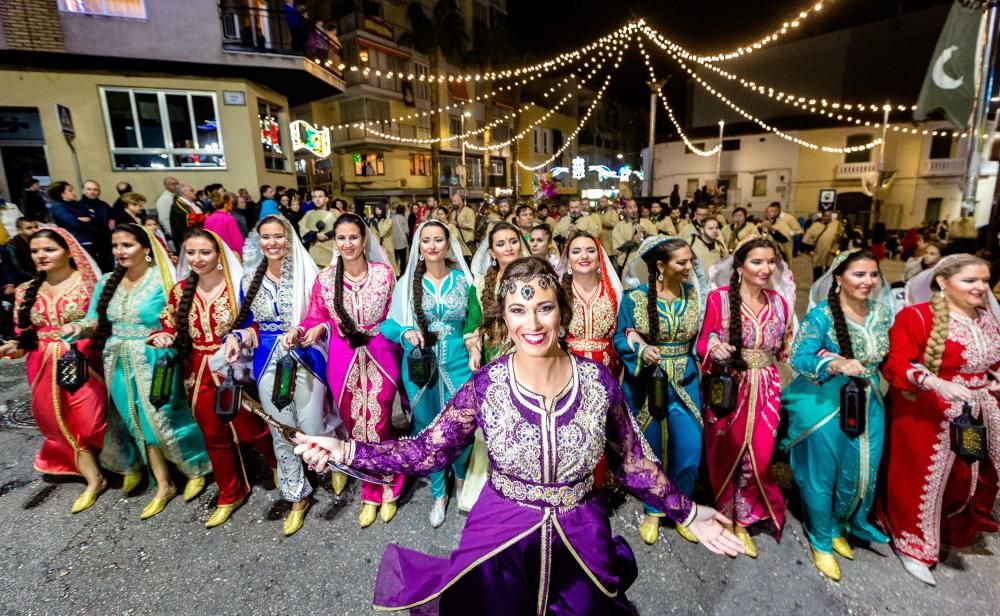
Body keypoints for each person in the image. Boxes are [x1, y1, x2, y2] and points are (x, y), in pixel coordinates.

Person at [293, 256, 744, 613]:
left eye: (544, 307)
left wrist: (686, 513)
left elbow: (630, 461)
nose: (533, 323)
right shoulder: (486, 386)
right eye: (518, 310)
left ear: (562, 312)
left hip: (580, 531)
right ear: (503, 319)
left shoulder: (597, 381)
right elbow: (426, 450)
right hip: (500, 533)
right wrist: (345, 450)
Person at [62, 223, 210, 519]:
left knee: (165, 417)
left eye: (127, 245)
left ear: (147, 248)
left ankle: (195, 469)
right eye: (116, 246)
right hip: (117, 358)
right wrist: (76, 328)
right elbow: (94, 319)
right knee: (136, 422)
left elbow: (178, 319)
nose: (120, 251)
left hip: (156, 357)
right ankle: (163, 484)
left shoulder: (164, 279)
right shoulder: (107, 282)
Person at [878, 254, 1000, 586]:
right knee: (920, 480)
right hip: (926, 411)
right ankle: (912, 544)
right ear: (943, 283)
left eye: (985, 280)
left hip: (977, 408)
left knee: (969, 472)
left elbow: (992, 358)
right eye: (971, 281)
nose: (980, 287)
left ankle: (953, 526)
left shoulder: (986, 318)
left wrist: (993, 378)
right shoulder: (916, 317)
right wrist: (934, 382)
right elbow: (895, 364)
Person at [0, 227, 135, 513]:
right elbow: (24, 336)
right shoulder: (26, 291)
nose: (41, 256)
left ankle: (128, 461)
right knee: (57, 425)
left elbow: (105, 322)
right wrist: (14, 347)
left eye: (49, 249)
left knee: (92, 422)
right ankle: (93, 479)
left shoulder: (89, 285)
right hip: (41, 366)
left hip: (84, 361)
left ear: (68, 251)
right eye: (35, 251)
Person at [150, 229, 277, 528]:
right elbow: (167, 324)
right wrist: (163, 337)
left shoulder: (239, 288)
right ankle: (230, 492)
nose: (197, 259)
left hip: (235, 367)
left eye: (204, 252)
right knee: (213, 435)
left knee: (252, 428)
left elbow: (262, 325)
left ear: (219, 255)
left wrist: (241, 338)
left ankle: (276, 463)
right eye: (190, 253)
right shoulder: (180, 291)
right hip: (196, 371)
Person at [282, 213, 402, 528]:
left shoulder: (384, 274)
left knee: (381, 421)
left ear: (364, 240)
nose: (348, 243)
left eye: (353, 237)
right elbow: (315, 317)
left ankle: (388, 482)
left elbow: (397, 315)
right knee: (353, 425)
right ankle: (369, 489)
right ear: (335, 242)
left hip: (381, 356)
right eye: (342, 238)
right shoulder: (325, 279)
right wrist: (304, 330)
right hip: (343, 359)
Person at [781, 250, 894, 581]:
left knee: (861, 469)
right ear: (839, 278)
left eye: (873, 274)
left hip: (870, 401)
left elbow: (894, 357)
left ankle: (838, 526)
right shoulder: (822, 315)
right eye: (859, 274)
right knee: (822, 474)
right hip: (826, 402)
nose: (868, 281)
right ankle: (820, 541)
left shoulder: (884, 314)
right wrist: (834, 363)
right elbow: (797, 356)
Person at [225, 216, 338, 536]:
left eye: (279, 236)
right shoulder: (251, 279)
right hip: (267, 363)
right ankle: (296, 494)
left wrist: (304, 330)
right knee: (280, 430)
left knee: (313, 423)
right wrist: (238, 337)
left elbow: (326, 316)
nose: (272, 242)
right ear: (258, 241)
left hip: (306, 356)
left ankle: (329, 463)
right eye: (266, 237)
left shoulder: (307, 275)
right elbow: (248, 323)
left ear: (290, 239)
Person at [696, 236, 796, 557]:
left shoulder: (779, 303)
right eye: (757, 262)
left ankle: (747, 517)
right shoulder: (719, 299)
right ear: (739, 267)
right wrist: (715, 346)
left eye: (770, 262)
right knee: (728, 451)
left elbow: (785, 348)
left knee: (761, 456)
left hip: (767, 386)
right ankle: (727, 516)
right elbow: (704, 339)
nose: (765, 268)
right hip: (728, 386)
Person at [381, 221, 482, 527]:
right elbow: (388, 324)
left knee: (462, 424)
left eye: (439, 240)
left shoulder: (464, 281)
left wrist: (473, 342)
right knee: (428, 428)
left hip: (458, 361)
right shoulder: (407, 284)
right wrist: (407, 331)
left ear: (449, 244)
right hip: (421, 367)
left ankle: (463, 481)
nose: (433, 246)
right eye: (427, 241)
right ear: (419, 247)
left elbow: (473, 320)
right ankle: (439, 492)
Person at [614, 237, 706, 545]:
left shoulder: (694, 296)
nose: (688, 267)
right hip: (646, 384)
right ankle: (653, 509)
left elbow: (706, 335)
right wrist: (641, 351)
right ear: (660, 266)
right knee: (649, 449)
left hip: (686, 382)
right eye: (681, 262)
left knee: (689, 447)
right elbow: (621, 337)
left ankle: (680, 507)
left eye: (690, 261)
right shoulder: (635, 298)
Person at [559, 230, 623, 376]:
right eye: (576, 251)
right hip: (567, 373)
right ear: (568, 259)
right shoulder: (558, 294)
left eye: (590, 251)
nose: (584, 256)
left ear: (600, 257)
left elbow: (622, 333)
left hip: (607, 373)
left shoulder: (614, 293)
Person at [48, 181, 111, 271]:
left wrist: (87, 219)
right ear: (62, 194)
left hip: (93, 240)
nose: (74, 192)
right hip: (79, 242)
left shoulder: (75, 204)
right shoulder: (58, 207)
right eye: (70, 190)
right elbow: (75, 223)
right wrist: (84, 220)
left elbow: (92, 218)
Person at [611, 198, 657, 271]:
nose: (633, 210)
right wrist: (634, 241)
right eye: (630, 207)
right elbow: (619, 247)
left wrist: (646, 235)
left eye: (635, 207)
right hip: (627, 264)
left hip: (645, 263)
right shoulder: (619, 226)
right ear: (625, 210)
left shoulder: (647, 223)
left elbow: (656, 240)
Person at [298, 188, 338, 267]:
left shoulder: (334, 212)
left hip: (332, 253)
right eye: (315, 197)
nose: (317, 199)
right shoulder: (309, 214)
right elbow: (302, 230)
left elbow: (342, 228)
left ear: (326, 199)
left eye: (320, 196)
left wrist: (327, 234)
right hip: (316, 254)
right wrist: (316, 235)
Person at [802, 210, 844, 281]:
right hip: (818, 253)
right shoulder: (816, 226)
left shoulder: (836, 225)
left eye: (830, 216)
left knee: (829, 275)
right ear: (823, 216)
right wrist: (809, 250)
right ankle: (816, 288)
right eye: (827, 216)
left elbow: (841, 237)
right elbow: (807, 237)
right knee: (817, 274)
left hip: (830, 254)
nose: (828, 218)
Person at [368, 203, 398, 275]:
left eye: (379, 209)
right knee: (378, 265)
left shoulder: (388, 221)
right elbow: (371, 233)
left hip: (386, 246)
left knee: (390, 265)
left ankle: (394, 280)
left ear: (383, 210)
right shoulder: (373, 221)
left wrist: (374, 222)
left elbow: (382, 232)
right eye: (375, 209)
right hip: (376, 246)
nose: (377, 211)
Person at [170, 184, 202, 251]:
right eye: (191, 190)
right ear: (184, 193)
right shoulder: (177, 206)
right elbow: (188, 221)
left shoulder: (194, 204)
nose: (194, 192)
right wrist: (203, 217)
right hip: (187, 239)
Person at [6, 218, 38, 284]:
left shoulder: (38, 239)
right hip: (25, 279)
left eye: (36, 227)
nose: (35, 230)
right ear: (19, 230)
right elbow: (19, 269)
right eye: (29, 228)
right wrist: (37, 277)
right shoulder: (13, 246)